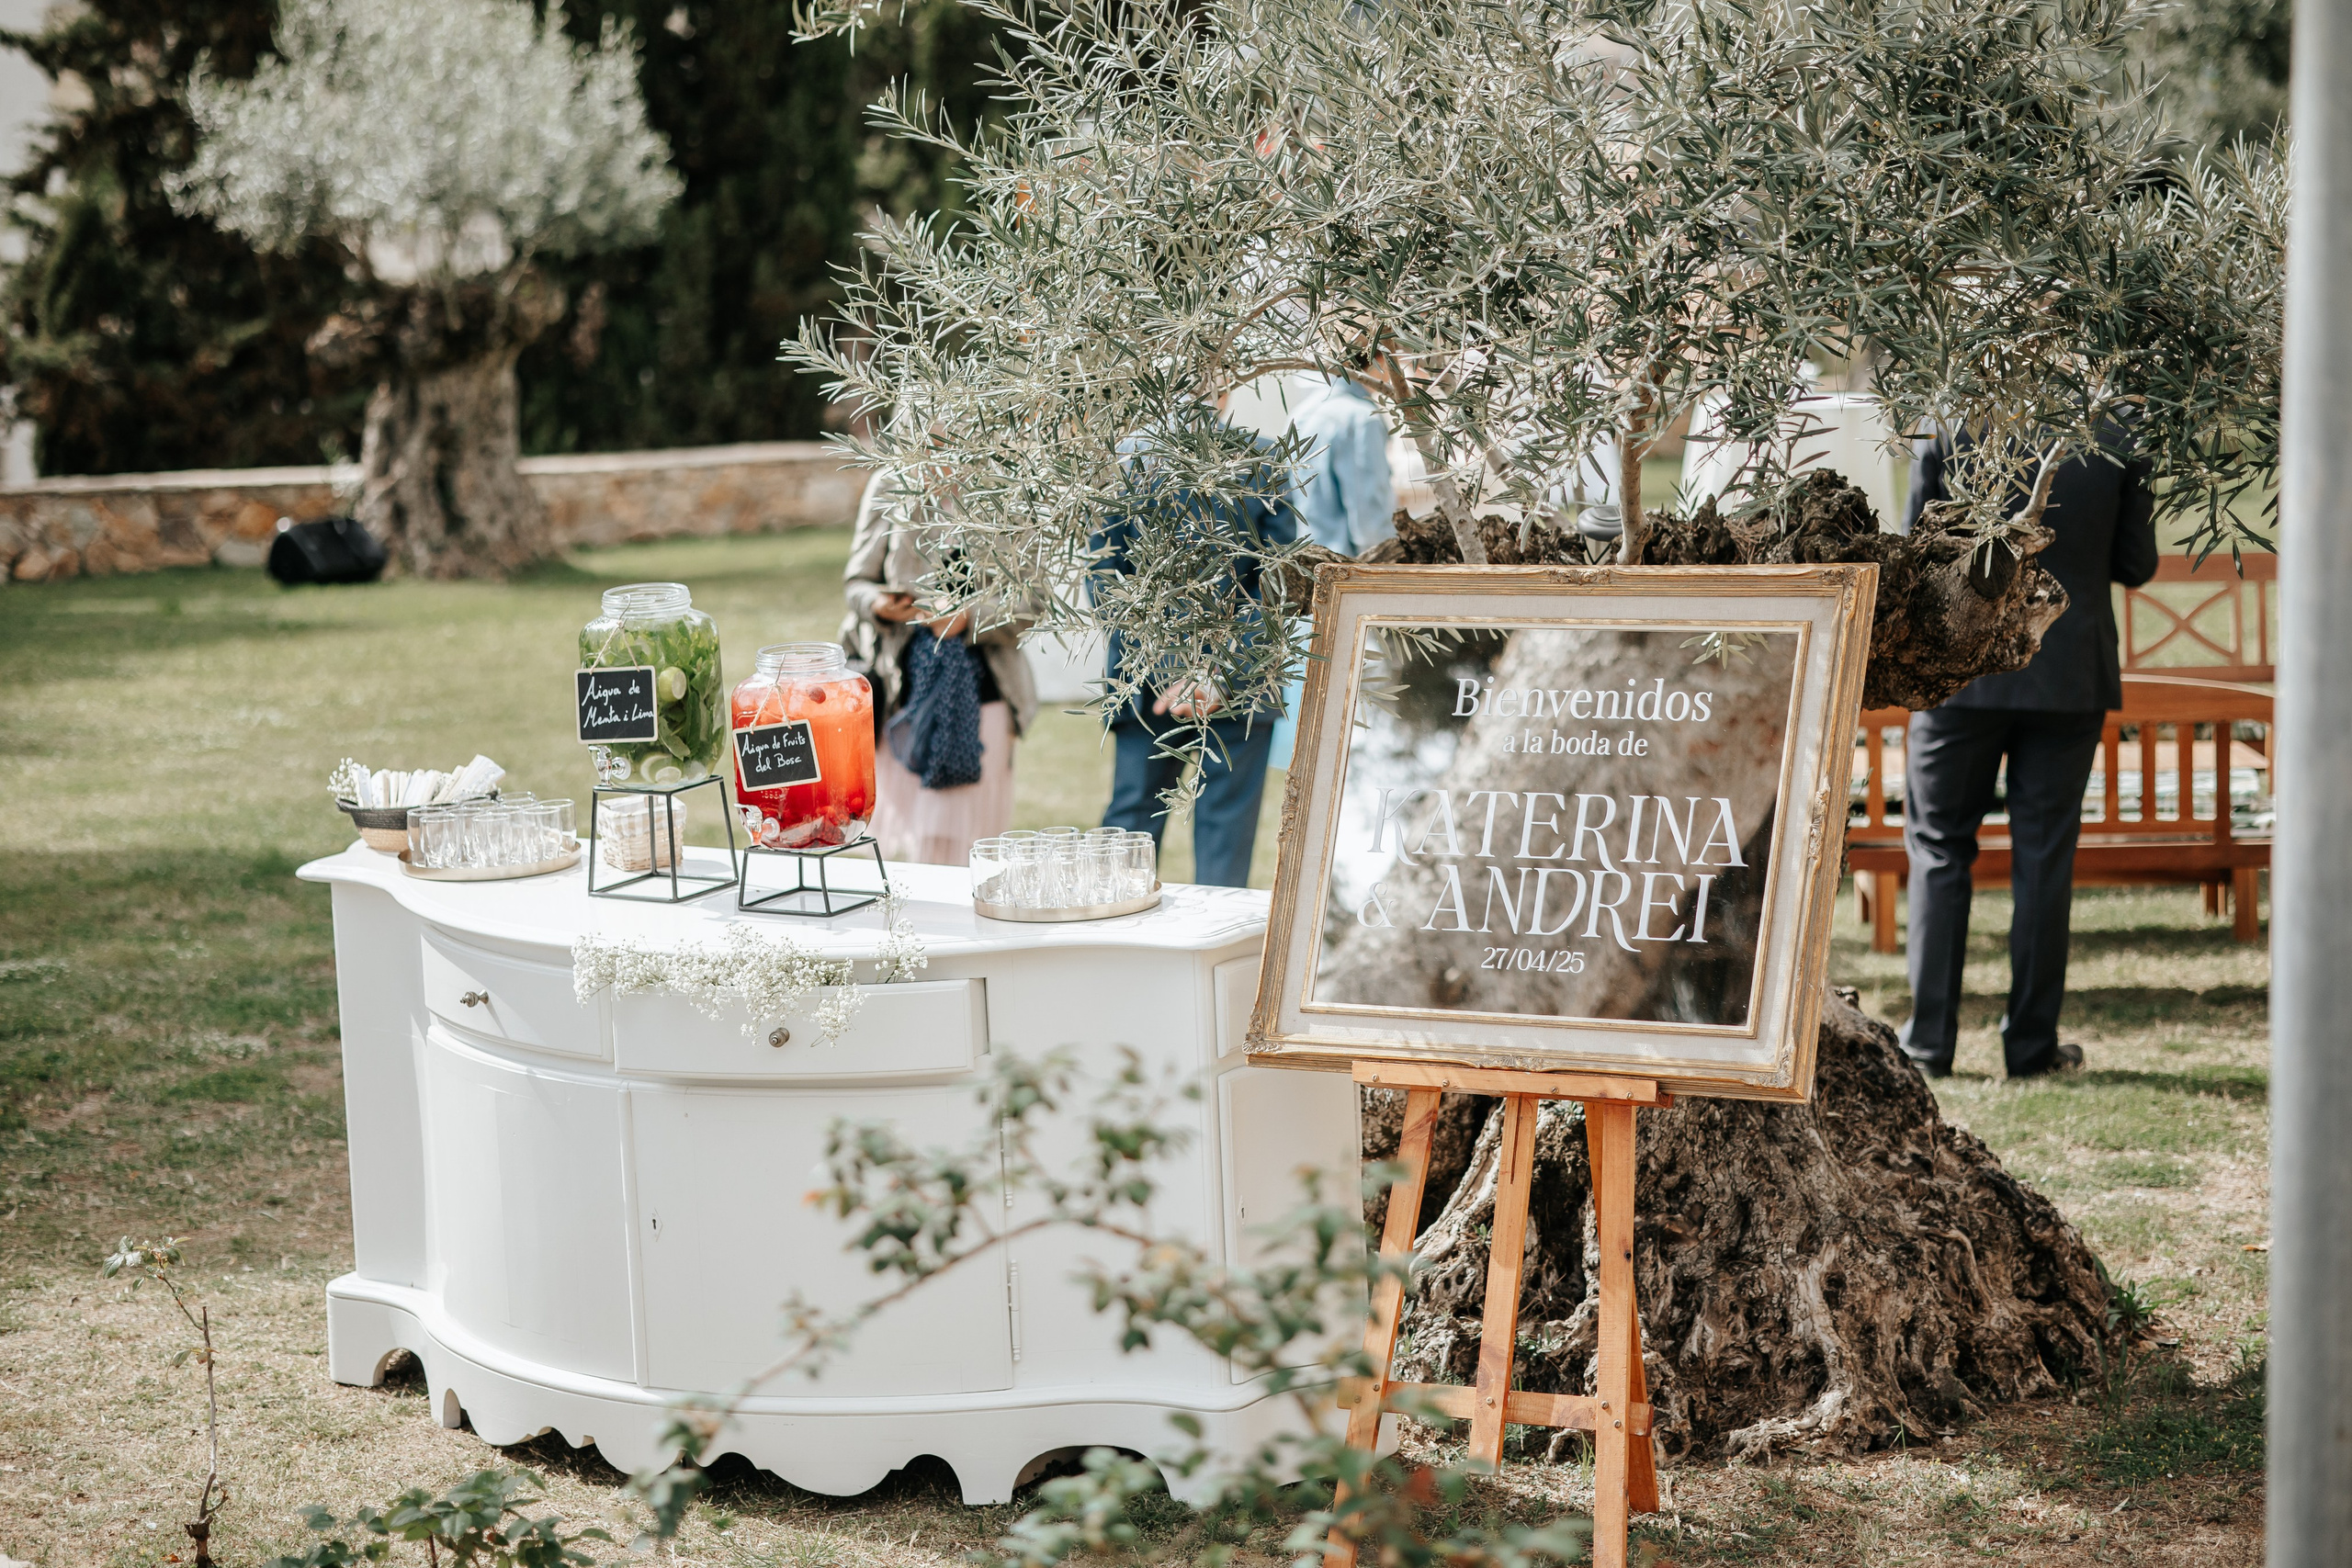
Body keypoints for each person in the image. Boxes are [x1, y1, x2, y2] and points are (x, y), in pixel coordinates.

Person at [1896, 431, 2159, 1079]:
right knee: (2044, 856)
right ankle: (2031, 1046)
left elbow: (1913, 548)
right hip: (2067, 673)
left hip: (1961, 672)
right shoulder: (2118, 436)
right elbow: (2137, 563)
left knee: (1937, 847)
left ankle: (1928, 1042)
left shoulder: (1950, 417)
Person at [1095, 412, 1302, 887]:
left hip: (1157, 679)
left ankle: (1111, 948)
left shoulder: (1126, 459)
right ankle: (1210, 957)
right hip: (1220, 681)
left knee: (1136, 823)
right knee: (1210, 838)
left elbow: (1107, 577)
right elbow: (1274, 585)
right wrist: (1211, 672)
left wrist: (1186, 670)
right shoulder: (1262, 457)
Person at [842, 472, 1037, 865]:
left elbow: (1032, 603)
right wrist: (881, 605)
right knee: (914, 851)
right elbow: (857, 584)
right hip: (902, 697)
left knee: (966, 850)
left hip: (984, 700)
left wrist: (968, 617)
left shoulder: (1005, 481)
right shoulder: (890, 483)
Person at [1285, 371, 1397, 556]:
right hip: (1350, 568)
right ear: (1380, 360)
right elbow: (1370, 521)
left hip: (1310, 561)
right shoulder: (1362, 418)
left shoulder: (1300, 414)